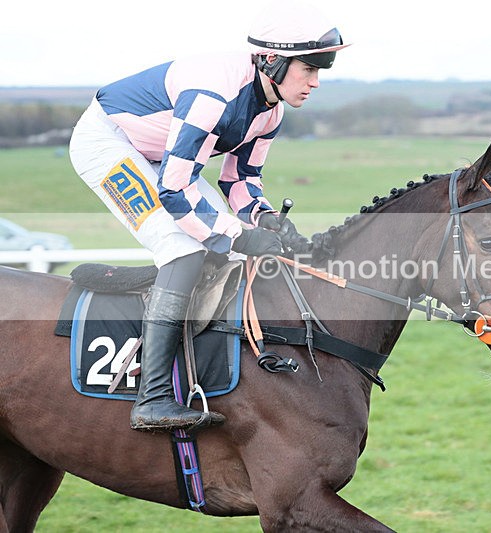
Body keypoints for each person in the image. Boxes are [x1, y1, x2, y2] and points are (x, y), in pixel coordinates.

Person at [69, 1, 349, 432]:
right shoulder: (214, 95)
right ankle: (153, 398)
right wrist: (237, 235)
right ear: (272, 61)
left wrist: (265, 220)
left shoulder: (270, 110)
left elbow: (241, 180)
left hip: (166, 157)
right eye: (308, 69)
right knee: (183, 247)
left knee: (227, 251)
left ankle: (188, 343)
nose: (314, 83)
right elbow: (174, 189)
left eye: (319, 71)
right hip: (109, 143)